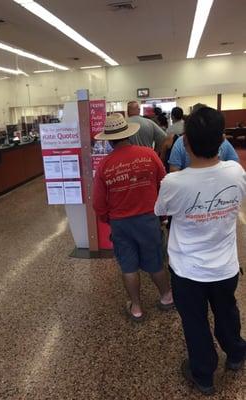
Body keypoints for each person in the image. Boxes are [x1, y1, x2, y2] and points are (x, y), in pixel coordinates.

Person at [154, 107, 246, 395]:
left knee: (195, 322)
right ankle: (236, 354)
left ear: (186, 144)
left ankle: (204, 375)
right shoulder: (236, 171)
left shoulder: (173, 183)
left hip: (187, 270)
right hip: (225, 267)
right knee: (227, 312)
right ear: (222, 140)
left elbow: (161, 211)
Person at [93, 113, 173, 322]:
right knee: (155, 262)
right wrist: (162, 215)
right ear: (128, 133)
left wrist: (107, 219)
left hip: (121, 223)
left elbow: (98, 203)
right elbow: (164, 186)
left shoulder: (104, 165)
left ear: (109, 140)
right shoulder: (149, 155)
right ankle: (166, 297)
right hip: (148, 219)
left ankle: (136, 308)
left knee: (128, 266)